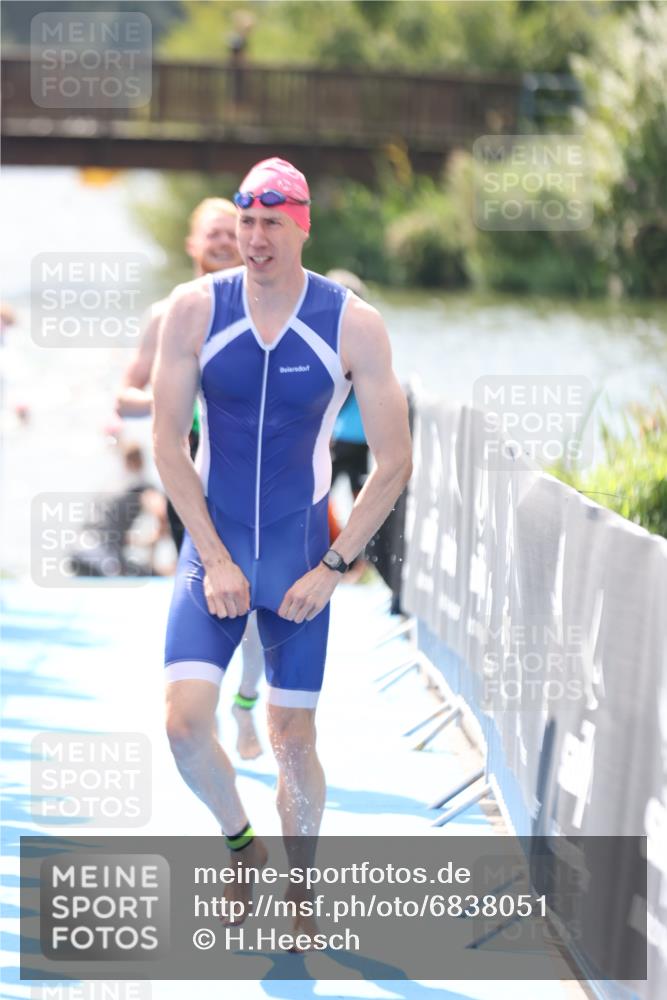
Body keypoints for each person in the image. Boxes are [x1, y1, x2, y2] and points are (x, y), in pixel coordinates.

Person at [152, 157, 412, 940]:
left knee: (292, 742)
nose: (255, 238)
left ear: (301, 226)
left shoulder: (352, 322)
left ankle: (300, 885)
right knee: (183, 728)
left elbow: (394, 461)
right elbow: (166, 443)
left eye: (272, 223)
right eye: (246, 223)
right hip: (214, 554)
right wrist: (214, 556)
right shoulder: (193, 310)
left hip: (301, 559)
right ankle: (241, 846)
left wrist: (335, 569)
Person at [116, 198, 263, 760]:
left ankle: (246, 702)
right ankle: (198, 716)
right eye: (214, 234)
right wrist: (174, 396)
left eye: (234, 231)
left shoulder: (272, 307)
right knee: (211, 602)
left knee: (254, 611)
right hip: (189, 473)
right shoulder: (168, 312)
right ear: (191, 244)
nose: (225, 242)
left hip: (256, 473)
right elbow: (125, 395)